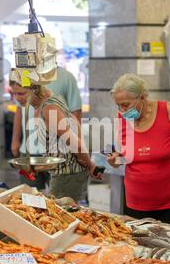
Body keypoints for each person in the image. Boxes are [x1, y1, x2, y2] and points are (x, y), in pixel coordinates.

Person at [107, 74, 170, 226]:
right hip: (137, 202)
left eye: (125, 104)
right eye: (118, 105)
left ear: (142, 97)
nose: (122, 110)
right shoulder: (122, 118)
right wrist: (116, 160)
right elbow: (127, 155)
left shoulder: (169, 111)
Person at [9, 73, 101, 201]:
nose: (17, 98)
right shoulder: (48, 98)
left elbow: (76, 144)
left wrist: (90, 165)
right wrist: (40, 167)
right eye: (14, 94)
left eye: (21, 93)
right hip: (60, 171)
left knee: (62, 216)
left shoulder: (49, 108)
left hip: (68, 174)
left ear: (34, 89)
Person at [11, 67, 82, 191]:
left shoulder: (65, 77)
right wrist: (15, 140)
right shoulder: (23, 75)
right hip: (29, 149)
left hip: (55, 153)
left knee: (58, 197)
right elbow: (19, 110)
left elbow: (75, 113)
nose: (18, 97)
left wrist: (77, 149)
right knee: (29, 196)